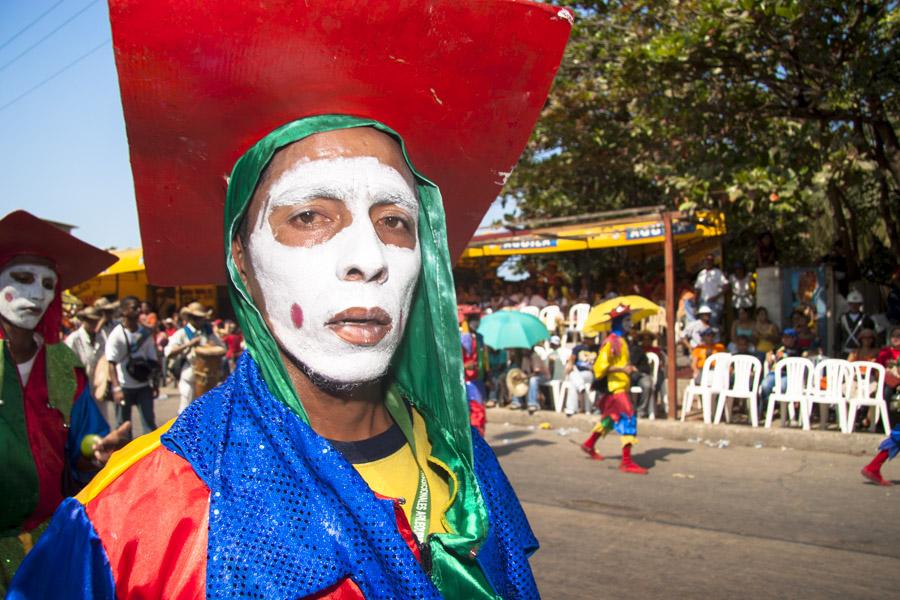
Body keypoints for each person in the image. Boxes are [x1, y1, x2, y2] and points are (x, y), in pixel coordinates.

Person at [10, 3, 570, 597]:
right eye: (310, 215)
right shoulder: (135, 517)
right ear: (243, 264)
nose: (370, 257)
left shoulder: (465, 468)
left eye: (395, 222)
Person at [0, 211, 127, 592]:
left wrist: (95, 449)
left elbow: (84, 438)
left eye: (47, 283)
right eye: (21, 279)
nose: (36, 294)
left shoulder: (62, 365)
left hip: (48, 546)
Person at [578, 304, 648, 474]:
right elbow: (599, 369)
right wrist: (621, 369)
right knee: (629, 419)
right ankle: (626, 461)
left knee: (610, 419)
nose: (630, 324)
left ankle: (589, 444)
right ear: (618, 322)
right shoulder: (611, 343)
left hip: (621, 386)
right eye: (627, 320)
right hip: (615, 389)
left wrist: (626, 367)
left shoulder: (622, 342)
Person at [105, 295, 160, 435]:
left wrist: (155, 382)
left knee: (149, 425)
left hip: (143, 386)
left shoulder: (145, 334)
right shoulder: (117, 335)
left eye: (138, 307)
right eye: (133, 307)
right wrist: (116, 388)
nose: (138, 310)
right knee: (123, 427)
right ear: (124, 311)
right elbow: (111, 363)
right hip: (124, 387)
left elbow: (153, 360)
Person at [164, 301, 225, 413]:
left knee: (206, 409)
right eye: (196, 318)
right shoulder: (181, 333)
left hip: (207, 377)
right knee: (186, 408)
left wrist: (212, 347)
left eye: (200, 318)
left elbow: (222, 348)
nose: (199, 321)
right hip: (189, 373)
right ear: (189, 318)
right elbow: (169, 352)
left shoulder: (208, 333)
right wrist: (189, 344)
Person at [758, 329, 803, 420]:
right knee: (764, 386)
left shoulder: (798, 350)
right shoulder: (779, 347)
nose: (784, 339)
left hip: (789, 375)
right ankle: (767, 409)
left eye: (788, 337)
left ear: (793, 338)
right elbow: (769, 352)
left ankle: (783, 412)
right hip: (774, 374)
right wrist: (769, 356)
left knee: (781, 387)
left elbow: (804, 357)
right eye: (784, 337)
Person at [837, 290, 875, 357]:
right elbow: (838, 335)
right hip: (845, 352)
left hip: (861, 353)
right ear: (848, 304)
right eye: (852, 303)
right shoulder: (842, 318)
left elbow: (871, 335)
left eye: (857, 303)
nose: (854, 306)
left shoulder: (866, 318)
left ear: (860, 304)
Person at [694, 253, 728, 326]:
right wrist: (695, 304)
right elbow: (697, 289)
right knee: (702, 324)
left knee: (713, 322)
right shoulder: (701, 274)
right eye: (706, 260)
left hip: (716, 303)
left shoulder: (718, 272)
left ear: (713, 262)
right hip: (704, 303)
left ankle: (716, 337)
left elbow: (726, 286)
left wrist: (716, 297)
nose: (708, 262)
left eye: (710, 260)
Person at [564, 341, 597, 416]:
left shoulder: (596, 349)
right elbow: (571, 360)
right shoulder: (577, 348)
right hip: (577, 373)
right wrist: (569, 365)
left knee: (573, 379)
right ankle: (580, 386)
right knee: (573, 377)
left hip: (589, 373)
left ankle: (571, 408)